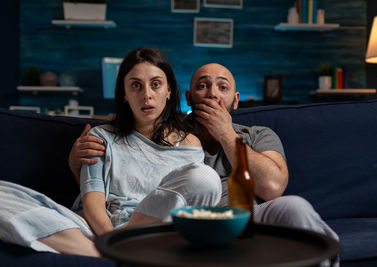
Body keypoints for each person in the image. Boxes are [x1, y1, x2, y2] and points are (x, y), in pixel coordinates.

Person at [70, 62, 339, 242]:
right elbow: (129, 175)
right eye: (202, 86)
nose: (212, 94)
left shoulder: (258, 135)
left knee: (295, 206)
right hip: (193, 224)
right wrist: (77, 165)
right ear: (188, 98)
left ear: (235, 100)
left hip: (247, 215)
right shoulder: (168, 134)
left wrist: (226, 134)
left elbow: (272, 187)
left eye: (222, 87)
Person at [0, 48, 221, 257]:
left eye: (155, 84)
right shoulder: (100, 136)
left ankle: (108, 254)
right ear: (124, 93)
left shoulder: (189, 143)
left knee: (206, 178)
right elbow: (92, 202)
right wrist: (110, 239)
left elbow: (191, 203)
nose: (147, 95)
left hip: (156, 230)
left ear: (169, 90)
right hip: (97, 231)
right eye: (136, 86)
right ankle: (110, 254)